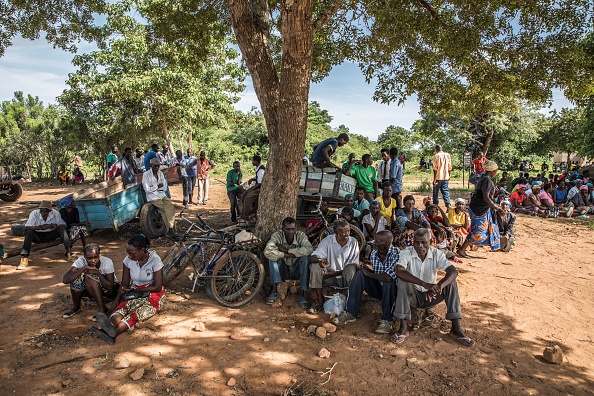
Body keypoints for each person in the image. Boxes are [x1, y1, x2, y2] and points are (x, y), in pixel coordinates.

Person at [391, 228, 474, 347]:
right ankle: (403, 328)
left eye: (424, 242)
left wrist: (438, 287)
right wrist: (425, 284)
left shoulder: (436, 253)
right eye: (417, 242)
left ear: (430, 242)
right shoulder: (406, 252)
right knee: (403, 281)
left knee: (451, 283)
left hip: (431, 297)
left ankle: (456, 329)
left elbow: (453, 272)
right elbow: (399, 271)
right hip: (412, 297)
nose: (420, 245)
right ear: (413, 242)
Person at [90, 234, 166, 344]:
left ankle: (113, 333)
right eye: (128, 253)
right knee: (123, 307)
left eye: (132, 253)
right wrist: (117, 299)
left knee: (136, 313)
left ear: (142, 250)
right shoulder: (128, 260)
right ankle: (109, 327)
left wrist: (138, 291)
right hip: (134, 290)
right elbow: (125, 283)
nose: (129, 256)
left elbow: (157, 286)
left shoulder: (155, 260)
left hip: (152, 292)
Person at [333, 231, 398, 334]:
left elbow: (388, 277)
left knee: (387, 283)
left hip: (392, 292)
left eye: (377, 241)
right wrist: (366, 271)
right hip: (379, 288)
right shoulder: (374, 253)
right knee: (360, 274)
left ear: (386, 244)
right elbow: (377, 274)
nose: (374, 243)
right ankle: (351, 312)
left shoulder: (396, 254)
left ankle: (387, 320)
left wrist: (369, 274)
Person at [308, 219, 359, 314]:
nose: (347, 234)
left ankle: (351, 303)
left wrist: (332, 273)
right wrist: (320, 261)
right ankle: (320, 301)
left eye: (348, 231)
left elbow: (354, 265)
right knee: (315, 266)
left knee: (350, 268)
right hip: (330, 279)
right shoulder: (327, 241)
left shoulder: (353, 242)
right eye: (343, 232)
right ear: (335, 232)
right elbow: (313, 257)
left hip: (345, 277)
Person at [263, 217, 313, 308]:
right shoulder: (277, 236)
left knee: (305, 258)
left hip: (296, 271)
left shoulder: (300, 236)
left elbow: (309, 249)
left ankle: (302, 294)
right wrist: (284, 255)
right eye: (287, 229)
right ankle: (274, 291)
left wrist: (287, 250)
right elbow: (267, 252)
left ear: (296, 228)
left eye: (292, 229)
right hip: (283, 271)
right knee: (273, 258)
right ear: (282, 228)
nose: (290, 232)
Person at [457, 160, 502, 258]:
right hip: (480, 208)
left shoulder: (482, 178)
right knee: (478, 231)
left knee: (479, 229)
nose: (496, 172)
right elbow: (486, 197)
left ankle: (464, 248)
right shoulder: (487, 180)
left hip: (477, 207)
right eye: (496, 170)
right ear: (492, 170)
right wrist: (496, 207)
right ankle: (462, 249)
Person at [62, 244, 118, 319]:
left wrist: (98, 273)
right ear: (84, 257)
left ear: (99, 255)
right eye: (89, 258)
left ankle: (103, 309)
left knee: (89, 277)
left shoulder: (107, 262)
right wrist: (84, 268)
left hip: (108, 294)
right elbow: (66, 280)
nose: (93, 260)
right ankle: (76, 307)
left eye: (96, 257)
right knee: (76, 278)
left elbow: (110, 286)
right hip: (90, 295)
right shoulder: (81, 261)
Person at [18, 201, 73, 270]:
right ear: (40, 210)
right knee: (29, 232)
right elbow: (26, 227)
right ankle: (24, 258)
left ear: (50, 211)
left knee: (62, 229)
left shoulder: (55, 213)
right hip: (38, 236)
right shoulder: (34, 213)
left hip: (50, 235)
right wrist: (41, 227)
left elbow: (64, 225)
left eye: (46, 212)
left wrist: (53, 226)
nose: (44, 213)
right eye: (42, 212)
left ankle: (69, 253)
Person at [142, 158, 179, 238]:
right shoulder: (146, 174)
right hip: (153, 197)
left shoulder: (160, 173)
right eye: (155, 166)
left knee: (170, 207)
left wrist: (157, 187)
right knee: (164, 208)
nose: (157, 168)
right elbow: (147, 189)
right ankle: (170, 230)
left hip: (162, 194)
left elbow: (164, 186)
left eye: (158, 166)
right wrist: (157, 186)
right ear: (151, 165)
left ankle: (171, 229)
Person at [241, 155, 265, 222]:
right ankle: (251, 212)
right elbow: (259, 179)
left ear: (256, 161)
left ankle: (245, 216)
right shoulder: (258, 168)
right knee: (243, 195)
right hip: (258, 186)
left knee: (248, 198)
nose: (252, 162)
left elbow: (260, 183)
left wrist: (251, 189)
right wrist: (252, 179)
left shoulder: (261, 170)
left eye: (253, 161)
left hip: (260, 188)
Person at [432, 144, 452, 209]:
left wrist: (434, 179)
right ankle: (448, 205)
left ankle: (435, 205)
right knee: (445, 191)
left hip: (438, 177)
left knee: (435, 192)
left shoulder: (436, 156)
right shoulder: (448, 155)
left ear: (436, 149)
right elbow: (449, 167)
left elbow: (435, 168)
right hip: (446, 177)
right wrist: (449, 175)